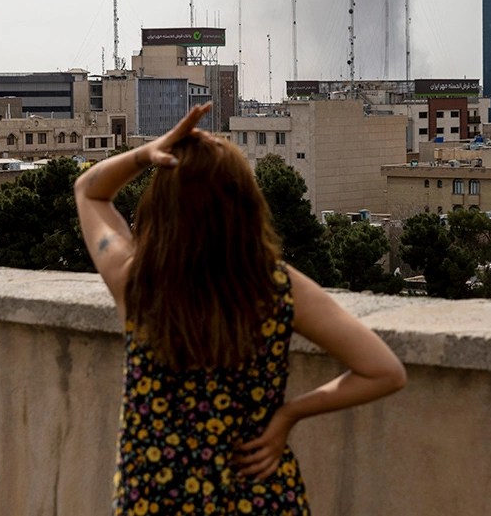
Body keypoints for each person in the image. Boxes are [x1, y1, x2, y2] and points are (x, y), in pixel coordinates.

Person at [75, 103, 406, 515]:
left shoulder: (138, 283)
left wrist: (149, 153)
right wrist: (288, 415)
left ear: (162, 208)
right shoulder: (275, 286)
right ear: (245, 205)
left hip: (156, 498)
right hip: (259, 495)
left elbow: (88, 190)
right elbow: (385, 372)